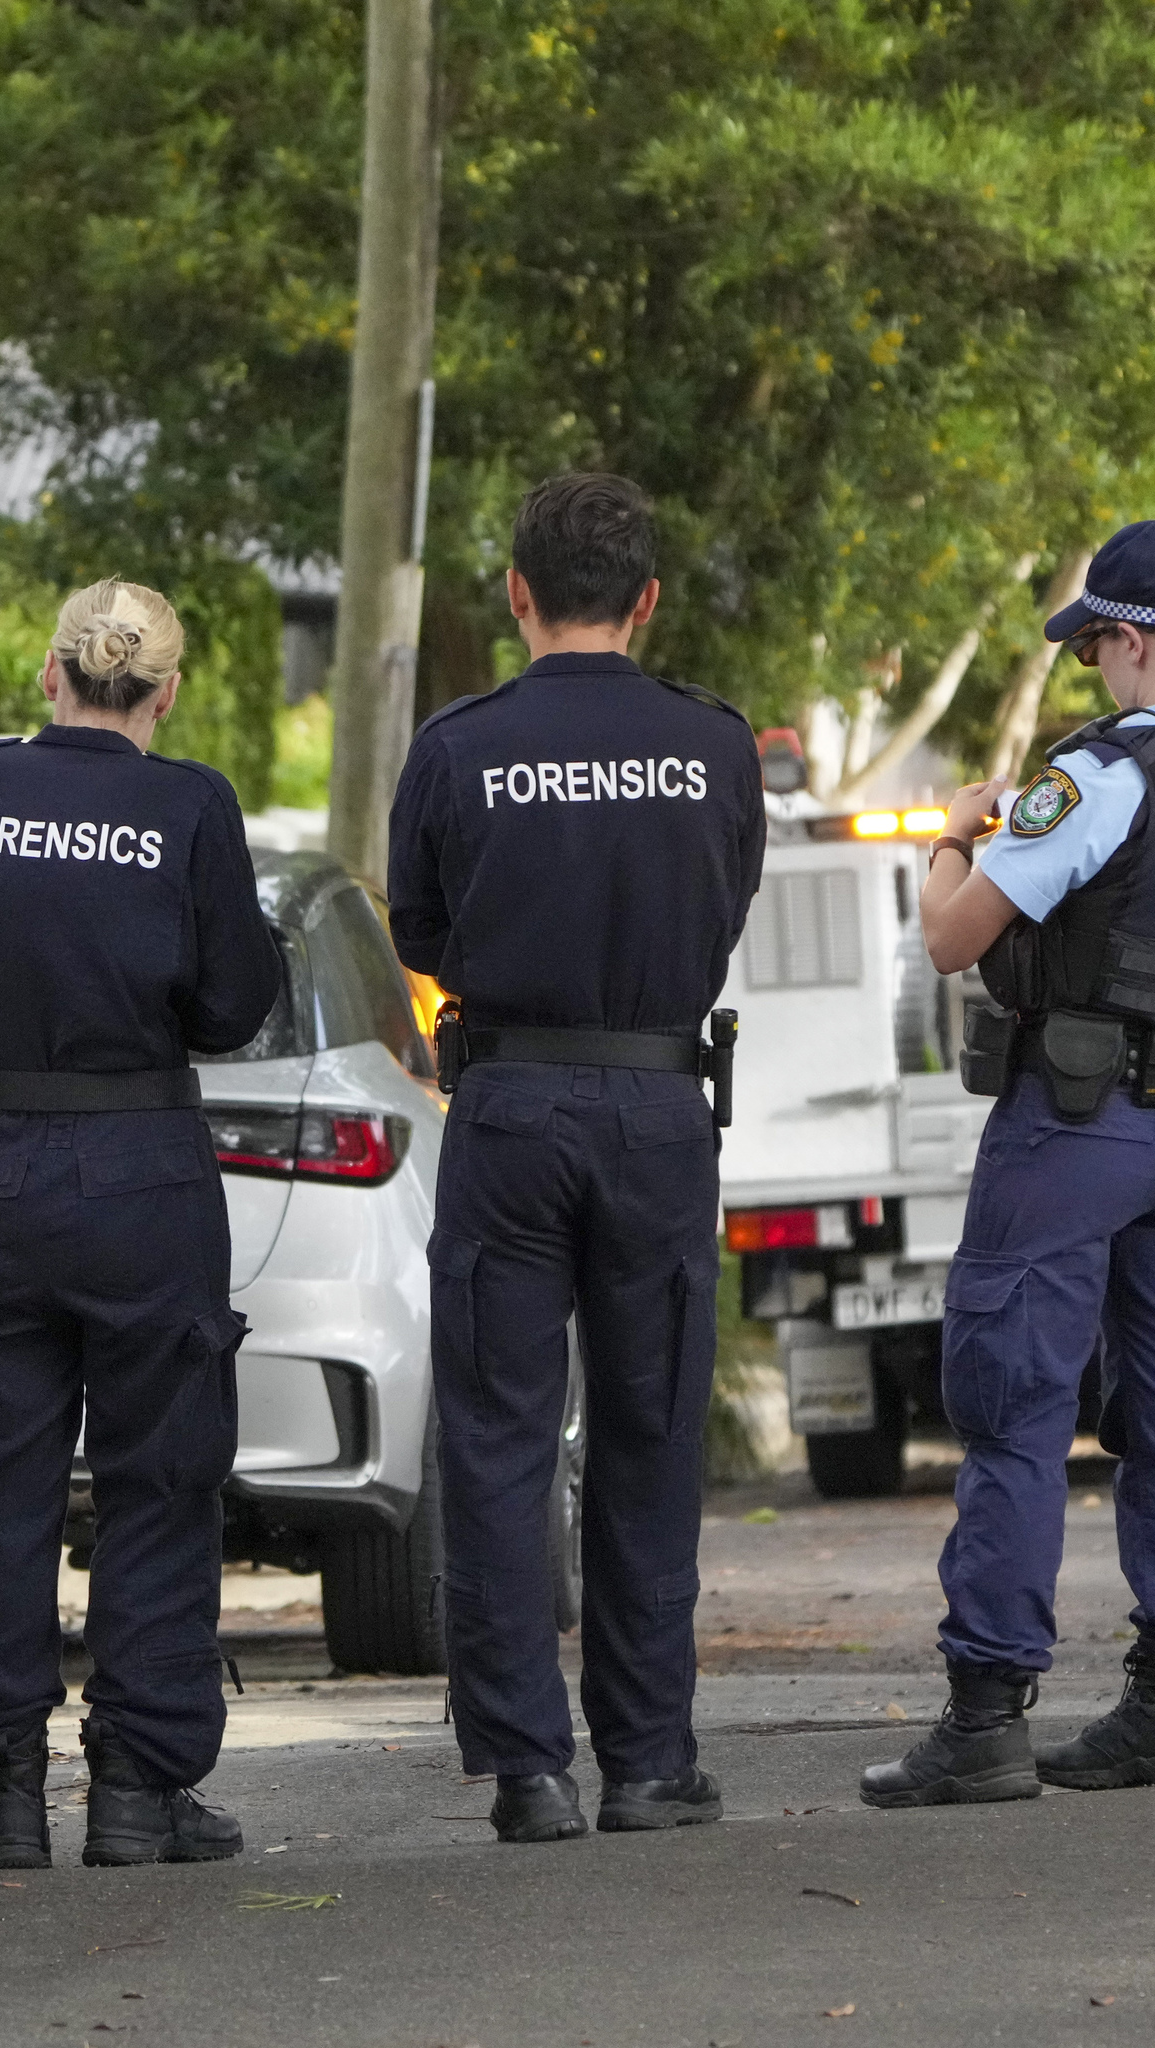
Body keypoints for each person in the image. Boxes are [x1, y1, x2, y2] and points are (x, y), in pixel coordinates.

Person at [863, 519, 1155, 1809]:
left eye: (1094, 653)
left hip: (1075, 1128)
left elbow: (955, 941)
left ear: (1128, 642)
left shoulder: (1095, 779)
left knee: (1012, 1405)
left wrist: (951, 838)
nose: (1092, 677)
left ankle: (986, 1716)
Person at [0, 579, 285, 1868]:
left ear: (51, 677)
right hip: (147, 1172)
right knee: (158, 1479)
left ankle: (10, 1801)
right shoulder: (189, 805)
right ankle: (138, 1792)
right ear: (164, 694)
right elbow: (233, 1006)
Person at [387, 473, 766, 1844]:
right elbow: (724, 909)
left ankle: (526, 1767)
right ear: (649, 600)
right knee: (652, 1432)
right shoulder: (713, 746)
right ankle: (652, 1763)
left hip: (511, 1110)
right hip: (660, 1111)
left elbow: (419, 933)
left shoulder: (457, 745)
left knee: (497, 1436)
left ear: (516, 593)